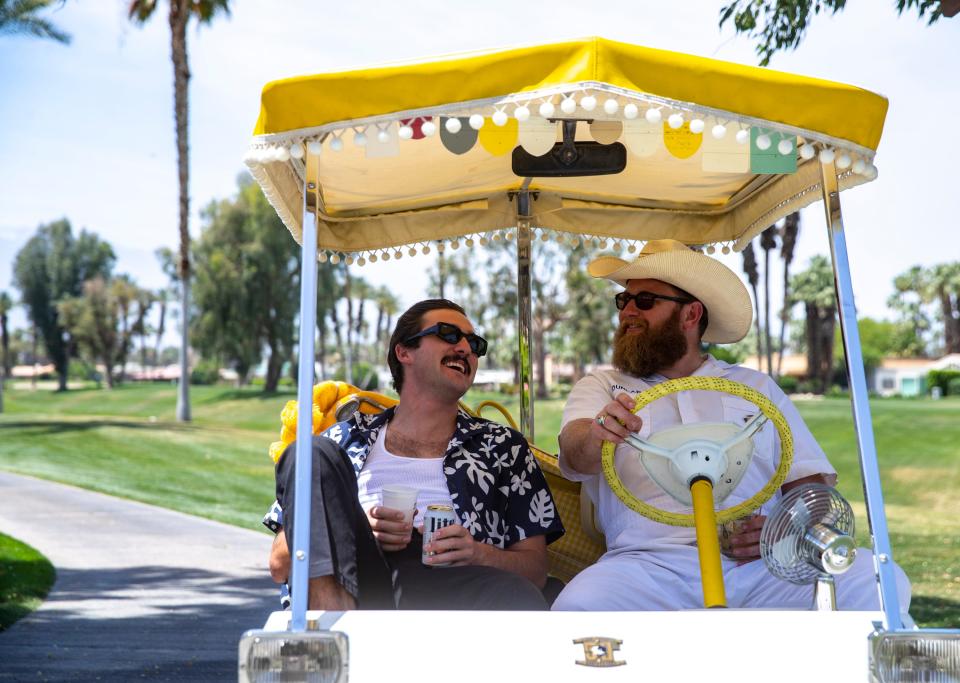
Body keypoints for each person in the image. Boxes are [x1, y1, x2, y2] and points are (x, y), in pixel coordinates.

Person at [552, 239, 910, 611]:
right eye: (623, 300)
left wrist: (781, 533)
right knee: (579, 606)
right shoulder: (603, 386)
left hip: (763, 570)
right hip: (648, 568)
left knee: (879, 582)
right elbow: (575, 454)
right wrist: (598, 432)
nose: (627, 311)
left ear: (690, 315)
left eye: (644, 301)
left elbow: (809, 485)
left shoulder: (755, 388)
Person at [266, 298, 564, 611]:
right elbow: (279, 563)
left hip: (455, 585)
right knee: (309, 450)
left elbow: (536, 572)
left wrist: (478, 553)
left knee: (519, 594)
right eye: (448, 334)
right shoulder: (344, 439)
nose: (465, 347)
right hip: (363, 577)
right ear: (404, 351)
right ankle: (335, 624)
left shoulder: (502, 446)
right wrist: (353, 530)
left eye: (475, 343)